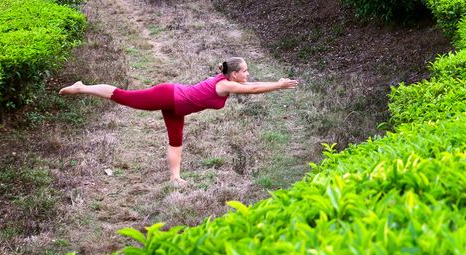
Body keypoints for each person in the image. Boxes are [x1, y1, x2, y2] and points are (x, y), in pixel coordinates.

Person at [60, 58, 298, 185]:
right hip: (169, 95)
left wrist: (275, 81)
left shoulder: (227, 79)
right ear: (234, 74)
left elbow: (251, 84)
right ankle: (82, 88)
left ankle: (175, 177)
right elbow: (254, 89)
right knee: (124, 97)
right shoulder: (225, 84)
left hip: (177, 107)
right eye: (245, 71)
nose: (248, 74)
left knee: (176, 141)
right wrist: (279, 85)